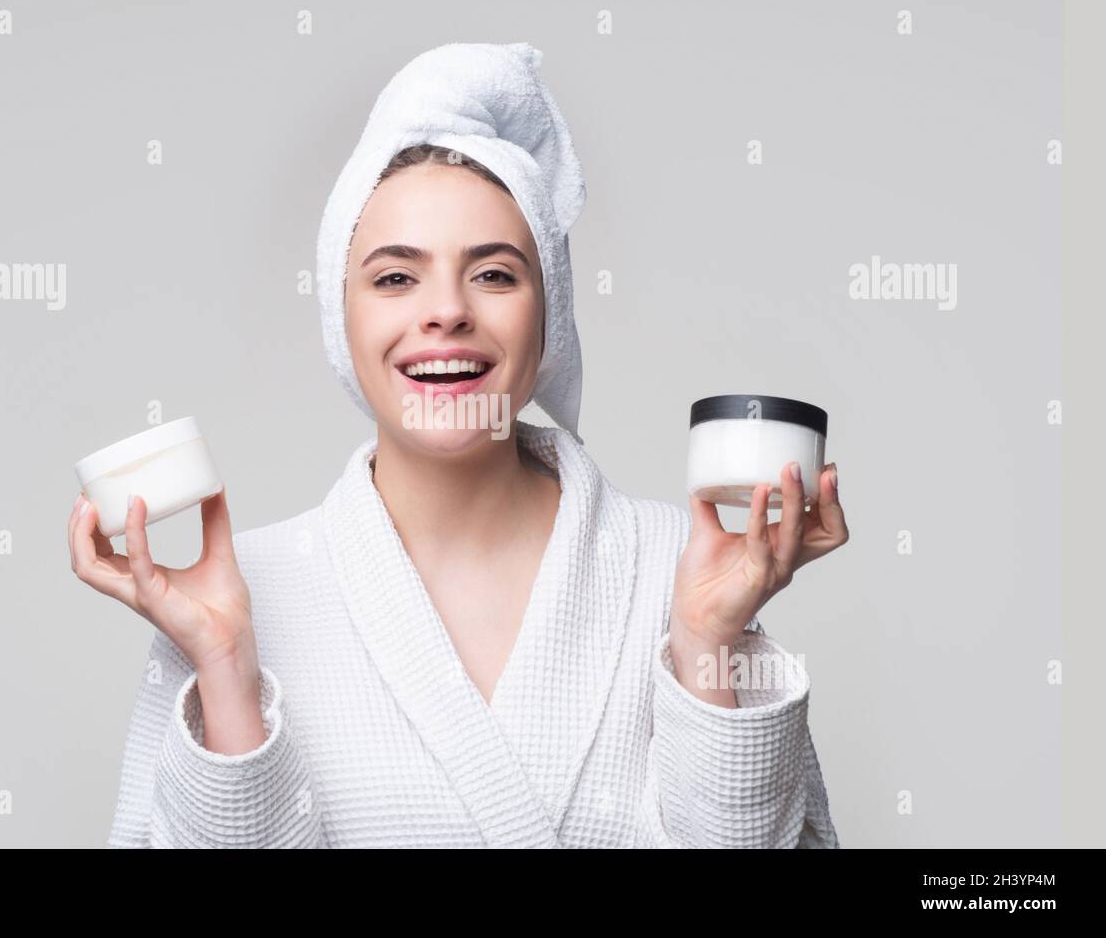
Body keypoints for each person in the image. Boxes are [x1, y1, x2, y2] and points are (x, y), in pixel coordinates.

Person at [68, 43, 847, 848]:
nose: (445, 311)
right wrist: (225, 663)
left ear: (550, 319)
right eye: (396, 277)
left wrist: (712, 641)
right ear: (344, 321)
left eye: (496, 275)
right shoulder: (226, 601)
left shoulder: (684, 567)